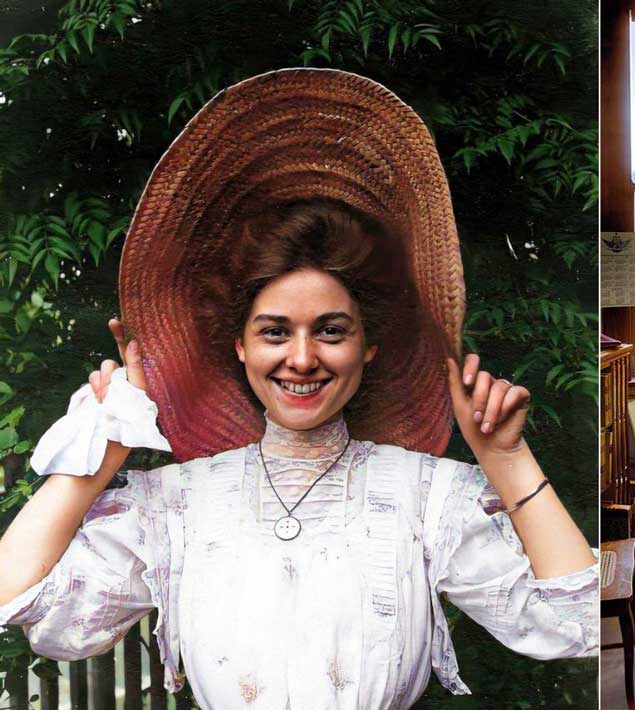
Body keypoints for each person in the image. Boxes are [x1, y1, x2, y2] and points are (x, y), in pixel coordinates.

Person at [0, 69, 597, 709]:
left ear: (369, 346)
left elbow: (577, 624)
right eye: (275, 331)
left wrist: (506, 460)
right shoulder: (172, 505)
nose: (302, 358)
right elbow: (19, 603)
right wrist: (93, 462)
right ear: (241, 346)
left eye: (331, 330)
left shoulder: (428, 497)